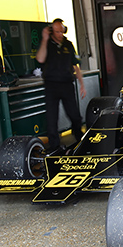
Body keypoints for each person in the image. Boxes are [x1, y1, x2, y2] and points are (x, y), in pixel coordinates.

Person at [35, 18, 86, 152]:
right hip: (51, 85)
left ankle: (80, 139)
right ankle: (54, 146)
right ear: (51, 31)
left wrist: (82, 85)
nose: (59, 34)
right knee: (52, 117)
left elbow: (76, 65)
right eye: (57, 32)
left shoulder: (68, 44)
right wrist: (45, 39)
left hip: (67, 84)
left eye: (61, 31)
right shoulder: (46, 44)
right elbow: (40, 59)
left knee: (74, 115)